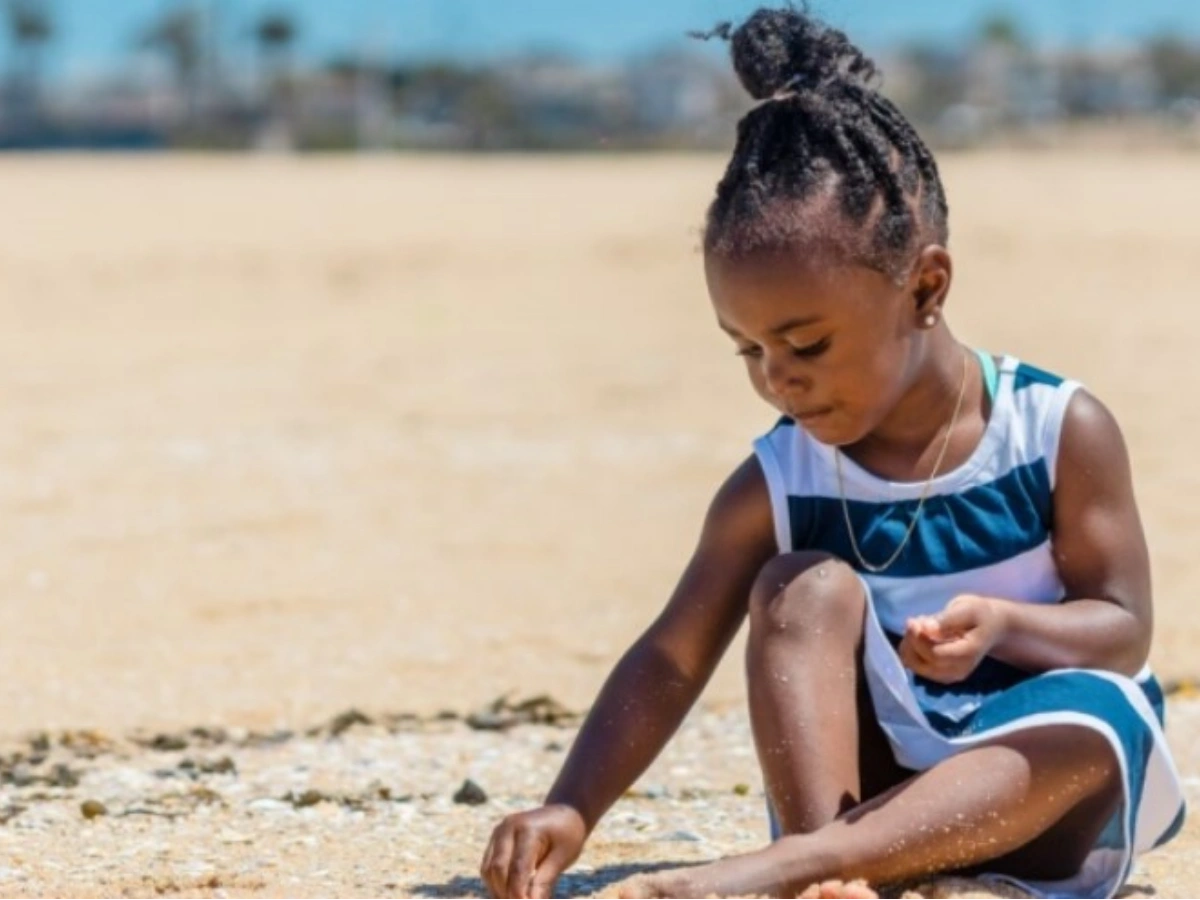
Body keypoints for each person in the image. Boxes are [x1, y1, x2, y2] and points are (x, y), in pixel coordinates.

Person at [479, 8, 1185, 900]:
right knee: (800, 585)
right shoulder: (780, 480)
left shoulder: (1055, 429)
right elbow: (672, 657)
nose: (779, 380)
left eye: (807, 345)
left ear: (925, 288)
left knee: (1110, 708)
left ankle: (796, 869)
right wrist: (571, 807)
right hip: (860, 802)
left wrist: (1008, 627)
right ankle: (827, 872)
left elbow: (1121, 629)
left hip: (1024, 804)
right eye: (749, 350)